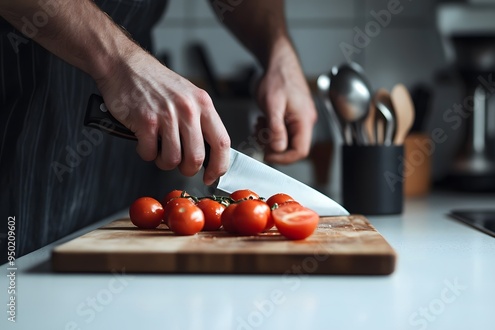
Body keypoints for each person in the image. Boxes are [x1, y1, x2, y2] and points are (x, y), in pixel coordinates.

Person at [0, 0, 317, 260]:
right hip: (20, 112)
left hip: (125, 139)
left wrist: (278, 49)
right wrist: (119, 61)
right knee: (15, 289)